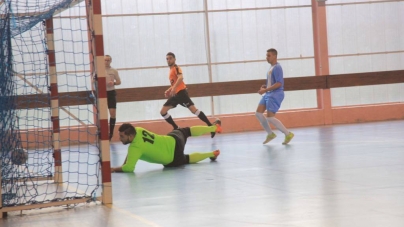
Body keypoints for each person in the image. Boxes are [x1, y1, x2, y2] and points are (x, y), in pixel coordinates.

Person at [110, 120, 222, 173]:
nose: (120, 138)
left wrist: (114, 169)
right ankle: (214, 128)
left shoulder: (135, 148)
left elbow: (129, 168)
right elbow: (131, 156)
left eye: (122, 136)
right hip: (173, 141)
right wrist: (125, 163)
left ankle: (212, 154)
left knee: (186, 159)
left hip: (171, 162)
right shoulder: (138, 130)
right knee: (186, 131)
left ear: (130, 136)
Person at [160, 52, 217, 138]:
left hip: (181, 94)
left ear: (175, 59)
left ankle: (210, 126)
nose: (168, 60)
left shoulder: (176, 68)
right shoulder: (170, 70)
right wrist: (169, 89)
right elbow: (175, 83)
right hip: (176, 95)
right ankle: (176, 127)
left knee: (194, 110)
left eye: (170, 58)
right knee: (163, 112)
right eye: (167, 59)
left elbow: (180, 78)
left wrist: (174, 88)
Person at [255, 48, 294, 145]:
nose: (266, 58)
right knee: (258, 113)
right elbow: (272, 82)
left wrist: (266, 90)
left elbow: (279, 83)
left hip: (275, 94)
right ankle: (270, 134)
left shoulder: (277, 67)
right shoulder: (271, 68)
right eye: (266, 55)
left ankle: (287, 133)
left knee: (270, 118)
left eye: (269, 55)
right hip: (269, 93)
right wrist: (265, 86)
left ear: (275, 56)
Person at [104, 55, 121, 141]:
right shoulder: (99, 70)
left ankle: (111, 134)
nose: (106, 62)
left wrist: (113, 83)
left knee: (112, 113)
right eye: (105, 60)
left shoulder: (114, 71)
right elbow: (93, 81)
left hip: (111, 93)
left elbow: (119, 81)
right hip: (102, 94)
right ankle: (103, 133)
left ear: (110, 61)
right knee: (102, 114)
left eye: (108, 60)